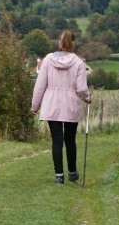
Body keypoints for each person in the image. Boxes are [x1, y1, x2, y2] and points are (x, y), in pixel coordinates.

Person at [31, 30, 91, 184]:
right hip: (71, 105)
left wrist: (35, 105)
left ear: (59, 42)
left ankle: (59, 176)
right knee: (70, 140)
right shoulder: (78, 62)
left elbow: (40, 85)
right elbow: (82, 89)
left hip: (52, 104)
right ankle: (72, 172)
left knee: (56, 141)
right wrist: (88, 98)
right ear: (74, 43)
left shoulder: (48, 60)